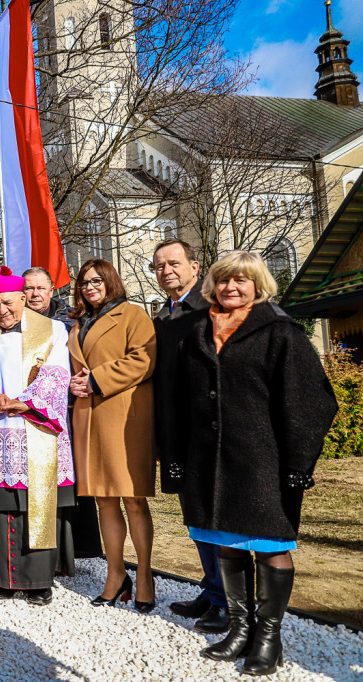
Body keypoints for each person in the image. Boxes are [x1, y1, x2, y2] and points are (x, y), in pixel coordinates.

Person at [174, 251, 336, 676]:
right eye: (224, 280)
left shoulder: (281, 332)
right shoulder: (197, 331)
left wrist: (300, 462)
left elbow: (311, 401)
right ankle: (240, 629)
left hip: (264, 462)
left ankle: (269, 639)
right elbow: (179, 400)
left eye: (241, 281)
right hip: (210, 461)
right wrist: (176, 457)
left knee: (269, 547)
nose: (231, 288)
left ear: (258, 284)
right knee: (227, 542)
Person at [0, 266, 75, 604]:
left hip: (36, 428)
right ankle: (6, 579)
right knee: (4, 504)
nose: (2, 311)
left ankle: (39, 582)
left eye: (8, 302)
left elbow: (57, 371)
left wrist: (28, 403)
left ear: (23, 298)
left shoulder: (52, 330)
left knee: (37, 503)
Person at [66, 258, 157, 612]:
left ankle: (145, 574)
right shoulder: (77, 324)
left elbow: (144, 361)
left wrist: (96, 379)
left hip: (124, 416)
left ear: (110, 281)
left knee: (133, 498)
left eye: (96, 281)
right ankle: (116, 573)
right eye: (84, 283)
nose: (89, 287)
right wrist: (74, 383)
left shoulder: (133, 315)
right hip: (88, 417)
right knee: (103, 499)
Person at [150, 239, 228, 633]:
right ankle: (211, 588)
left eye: (174, 263)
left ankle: (226, 599)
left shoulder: (211, 308)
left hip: (208, 429)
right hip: (177, 431)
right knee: (195, 517)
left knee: (217, 517)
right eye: (159, 266)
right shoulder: (163, 315)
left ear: (195, 267)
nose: (167, 271)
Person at [22, 266, 102, 561]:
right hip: (27, 411)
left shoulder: (72, 319)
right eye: (28, 288)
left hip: (67, 409)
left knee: (72, 481)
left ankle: (78, 548)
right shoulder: (13, 320)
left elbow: (84, 357)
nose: (34, 294)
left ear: (51, 289)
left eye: (40, 288)